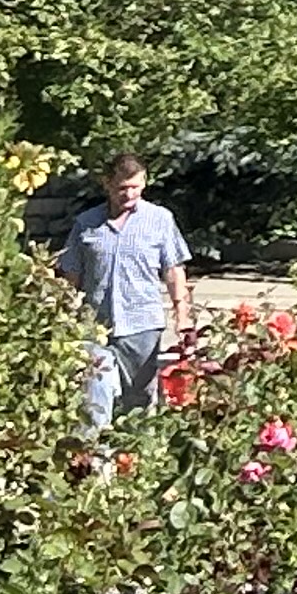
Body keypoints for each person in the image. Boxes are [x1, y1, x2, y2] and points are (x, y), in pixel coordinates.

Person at [54, 149, 194, 426]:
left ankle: (136, 448)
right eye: (122, 188)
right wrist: (63, 316)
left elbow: (174, 271)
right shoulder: (87, 224)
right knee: (94, 392)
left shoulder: (159, 220)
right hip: (95, 325)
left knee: (138, 401)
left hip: (142, 325)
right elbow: (71, 275)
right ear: (107, 184)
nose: (129, 195)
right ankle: (93, 449)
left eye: (136, 187)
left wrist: (183, 316)